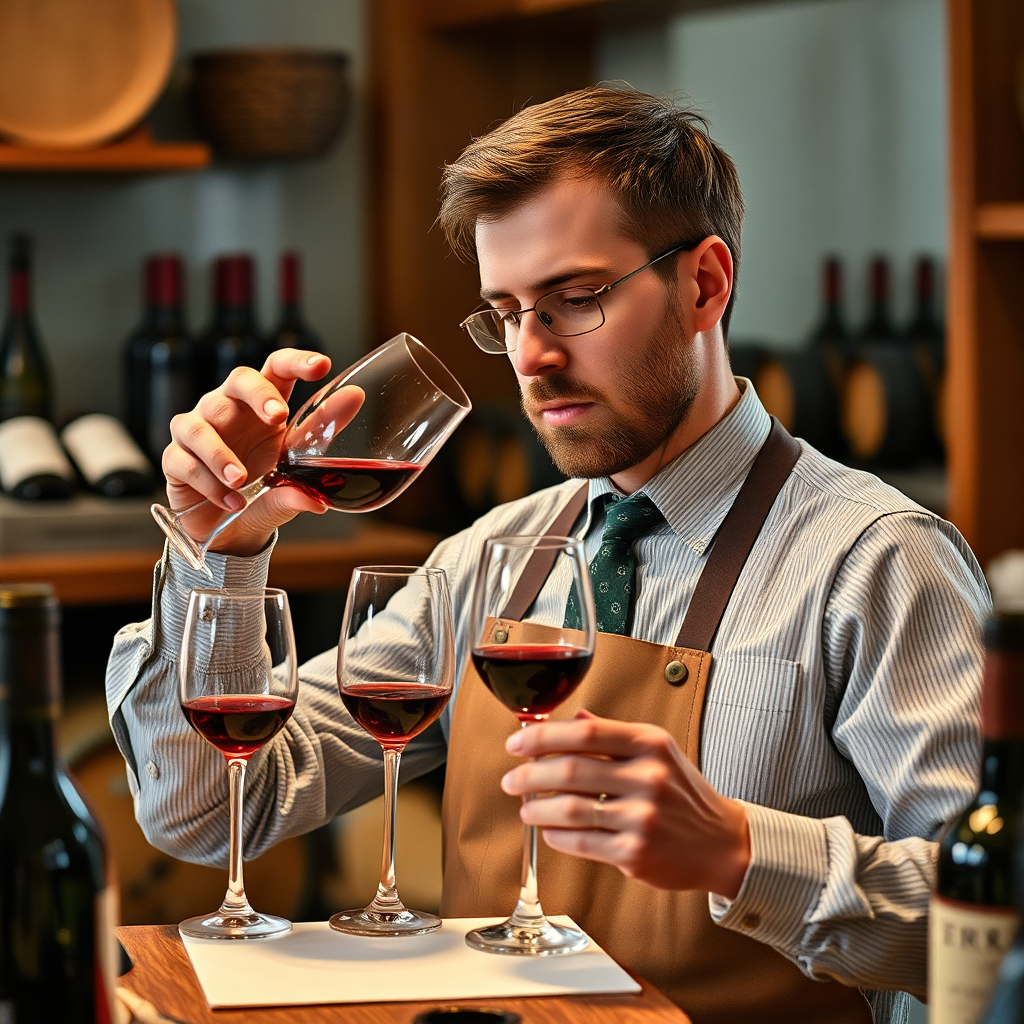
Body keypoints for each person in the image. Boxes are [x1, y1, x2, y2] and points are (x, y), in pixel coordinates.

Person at [106, 88, 986, 1023]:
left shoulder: (880, 562)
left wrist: (738, 849)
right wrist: (224, 552)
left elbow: (998, 928)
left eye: (575, 301)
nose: (531, 355)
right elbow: (208, 814)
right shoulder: (489, 558)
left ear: (705, 284)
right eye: (505, 313)